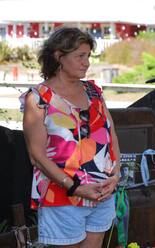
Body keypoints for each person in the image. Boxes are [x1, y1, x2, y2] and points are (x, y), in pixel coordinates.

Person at [20, 27, 121, 248]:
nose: (87, 63)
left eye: (88, 56)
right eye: (80, 56)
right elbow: (36, 156)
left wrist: (116, 173)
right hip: (62, 196)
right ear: (59, 56)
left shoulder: (94, 92)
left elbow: (110, 133)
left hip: (102, 192)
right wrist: (74, 187)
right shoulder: (38, 99)